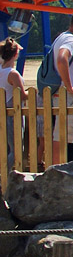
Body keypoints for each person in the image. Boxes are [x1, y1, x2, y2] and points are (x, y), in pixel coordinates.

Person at [45, 10, 73, 164]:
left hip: (65, 95)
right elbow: (62, 58)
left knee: (63, 135)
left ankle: (58, 167)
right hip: (67, 96)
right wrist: (70, 87)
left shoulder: (63, 37)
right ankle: (57, 169)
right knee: (62, 135)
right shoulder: (70, 39)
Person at [0, 38, 25, 169]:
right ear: (15, 54)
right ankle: (6, 175)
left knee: (4, 149)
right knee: (15, 150)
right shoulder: (13, 73)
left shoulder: (0, 70)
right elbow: (21, 94)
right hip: (12, 114)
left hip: (2, 111)